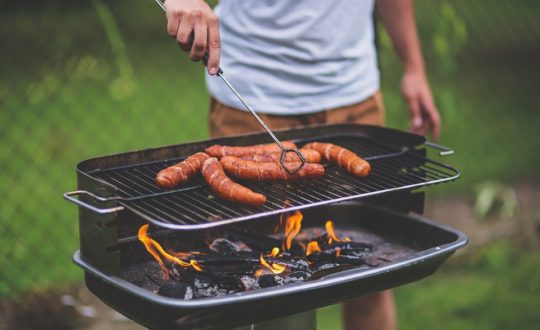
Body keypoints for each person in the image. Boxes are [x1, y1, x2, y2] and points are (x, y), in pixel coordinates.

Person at [163, 0, 440, 329]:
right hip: (251, 98)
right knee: (272, 291)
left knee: (369, 273)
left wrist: (414, 66)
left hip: (353, 98)